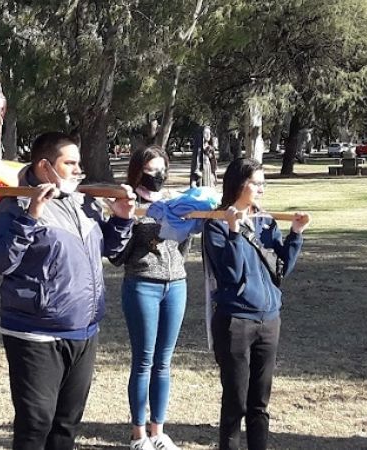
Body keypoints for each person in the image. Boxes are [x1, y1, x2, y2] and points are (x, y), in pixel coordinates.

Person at [0, 131, 136, 450]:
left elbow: (110, 249)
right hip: (34, 333)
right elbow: (0, 262)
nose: (78, 170)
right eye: (70, 163)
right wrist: (30, 218)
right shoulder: (14, 203)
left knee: (66, 424)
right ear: (44, 166)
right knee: (36, 422)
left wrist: (121, 220)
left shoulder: (83, 200)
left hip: (84, 330)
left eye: (78, 163)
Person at [202, 158, 310, 450]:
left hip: (269, 320)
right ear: (239, 184)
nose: (262, 189)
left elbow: (281, 270)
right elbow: (230, 274)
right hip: (235, 321)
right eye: (256, 183)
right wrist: (235, 231)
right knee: (235, 402)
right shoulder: (215, 223)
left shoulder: (266, 221)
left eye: (264, 183)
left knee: (259, 404)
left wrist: (296, 235)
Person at [109, 146, 189, 450]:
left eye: (162, 170)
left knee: (164, 362)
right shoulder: (127, 202)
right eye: (151, 170)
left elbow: (183, 242)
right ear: (138, 171)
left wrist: (174, 263)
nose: (158, 176)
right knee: (143, 361)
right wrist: (129, 222)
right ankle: (138, 434)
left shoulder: (172, 202)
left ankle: (158, 431)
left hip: (176, 285)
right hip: (142, 284)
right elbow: (118, 255)